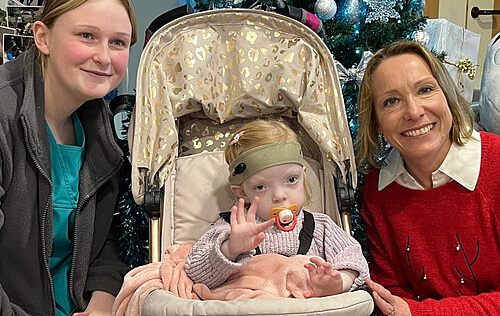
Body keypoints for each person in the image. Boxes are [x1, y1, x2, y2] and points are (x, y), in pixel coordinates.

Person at [0, 0, 138, 315]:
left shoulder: (99, 126)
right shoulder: (4, 114)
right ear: (42, 37)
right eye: (87, 36)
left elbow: (109, 238)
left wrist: (104, 297)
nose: (104, 57)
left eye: (117, 42)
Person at [357, 40, 500, 316]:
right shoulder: (377, 194)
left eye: (425, 90)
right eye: (391, 101)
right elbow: (393, 300)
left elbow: (408, 310)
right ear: (376, 123)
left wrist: (423, 313)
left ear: (446, 94)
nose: (413, 112)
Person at [185, 119, 369, 298]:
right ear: (242, 192)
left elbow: (354, 260)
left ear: (303, 176)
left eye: (291, 180)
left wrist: (338, 283)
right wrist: (230, 249)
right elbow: (196, 274)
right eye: (261, 187)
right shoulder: (231, 228)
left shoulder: (320, 227)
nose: (279, 195)